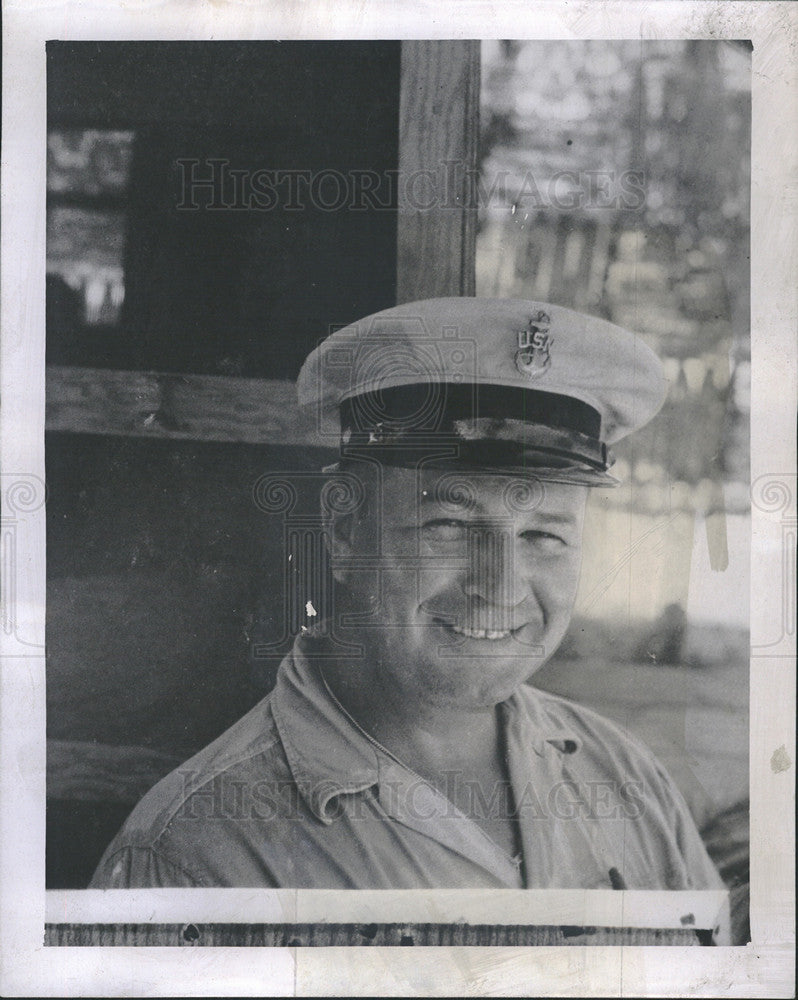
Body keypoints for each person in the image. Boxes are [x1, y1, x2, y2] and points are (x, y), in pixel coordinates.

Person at [91, 298, 725, 911]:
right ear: (344, 530)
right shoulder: (194, 857)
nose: (501, 587)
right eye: (448, 524)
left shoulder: (626, 779)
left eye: (543, 535)